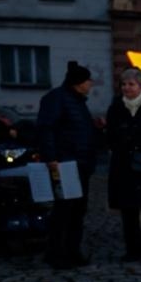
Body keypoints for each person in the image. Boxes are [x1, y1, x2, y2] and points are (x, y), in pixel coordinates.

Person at [37, 60, 99, 269]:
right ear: (78, 82)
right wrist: (51, 158)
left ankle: (72, 251)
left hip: (80, 164)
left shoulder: (77, 101)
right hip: (65, 165)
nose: (91, 83)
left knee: (77, 211)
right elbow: (46, 129)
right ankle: (57, 253)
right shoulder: (57, 99)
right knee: (64, 211)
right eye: (88, 80)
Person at [105, 66, 141, 262]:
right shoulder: (116, 107)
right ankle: (132, 250)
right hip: (124, 167)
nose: (126, 88)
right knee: (128, 210)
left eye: (131, 84)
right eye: (123, 84)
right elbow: (110, 135)